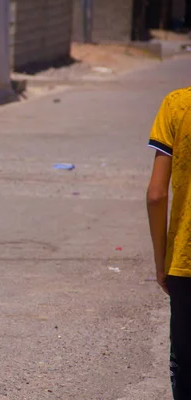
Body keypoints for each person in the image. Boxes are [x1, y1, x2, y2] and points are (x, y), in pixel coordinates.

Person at [146, 87, 191, 399]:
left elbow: (156, 195)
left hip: (186, 262)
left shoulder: (177, 105)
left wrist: (162, 262)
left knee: (186, 365)